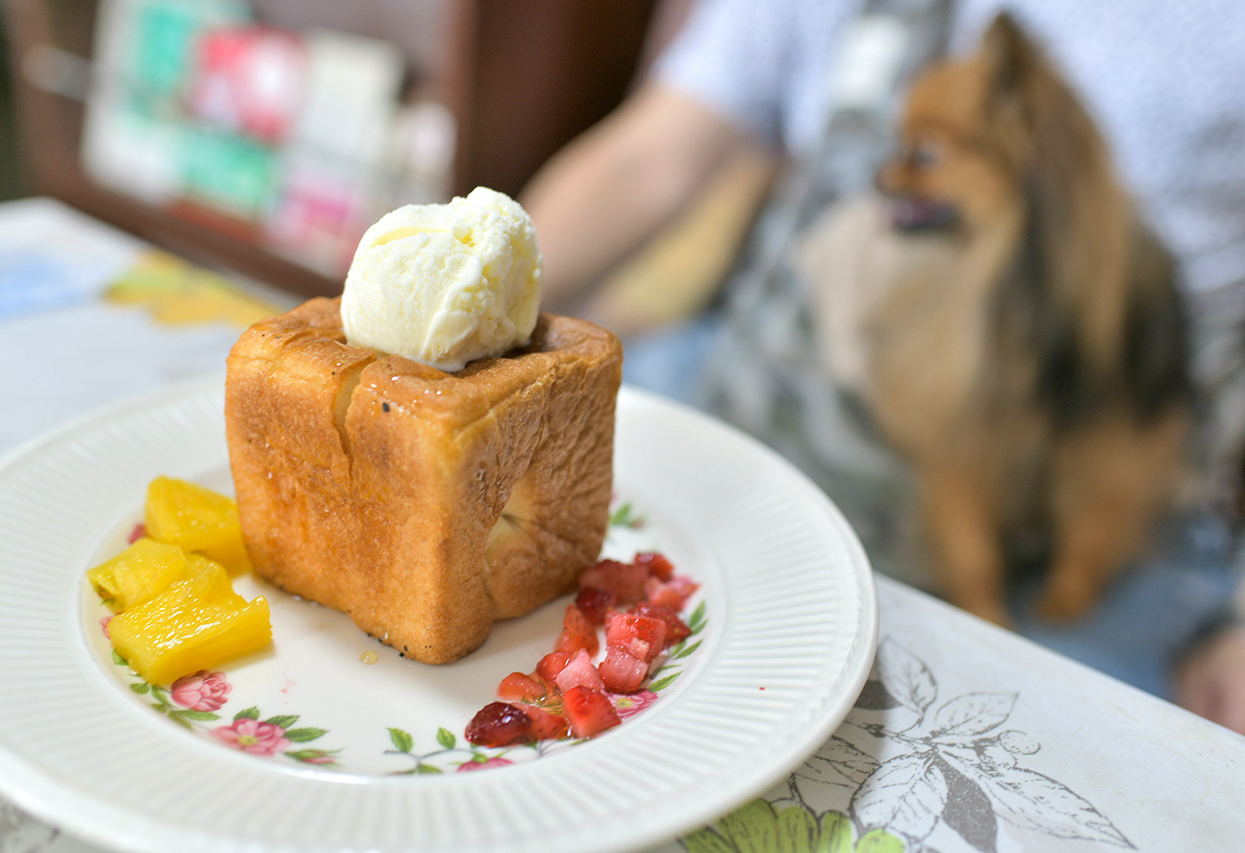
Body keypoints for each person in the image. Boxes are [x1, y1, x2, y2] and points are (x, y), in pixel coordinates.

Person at [520, 0, 1245, 732]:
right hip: (746, 410)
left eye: (923, 157)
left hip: (1083, 537)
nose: (890, 176)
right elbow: (647, 159)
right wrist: (477, 306)